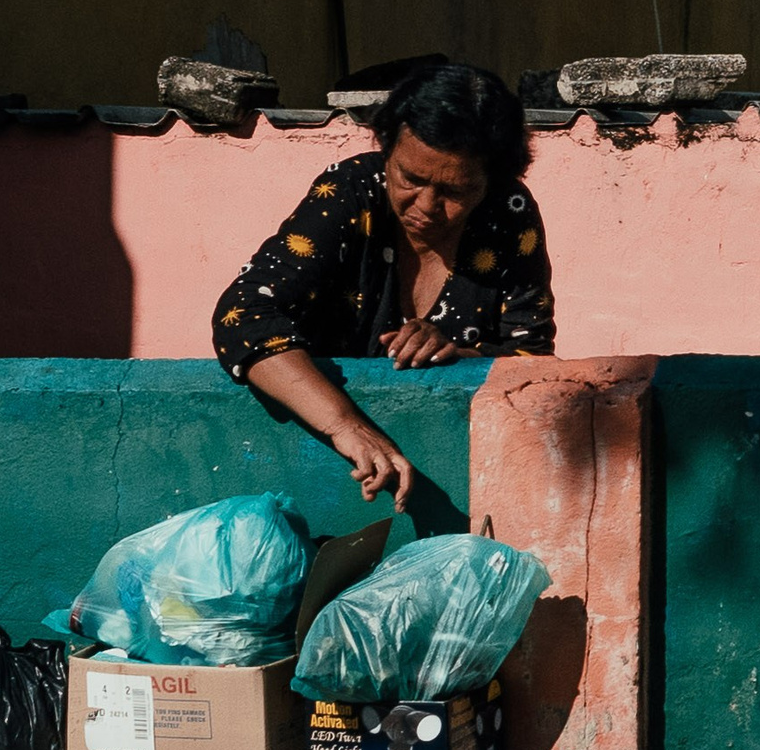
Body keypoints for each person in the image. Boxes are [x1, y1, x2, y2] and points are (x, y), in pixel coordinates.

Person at [214, 61, 554, 512]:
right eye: (411, 178)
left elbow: (532, 360)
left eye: (456, 191)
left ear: (492, 182)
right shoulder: (350, 191)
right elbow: (243, 317)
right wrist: (346, 427)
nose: (428, 207)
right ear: (386, 146)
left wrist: (459, 352)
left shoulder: (509, 214)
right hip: (312, 482)